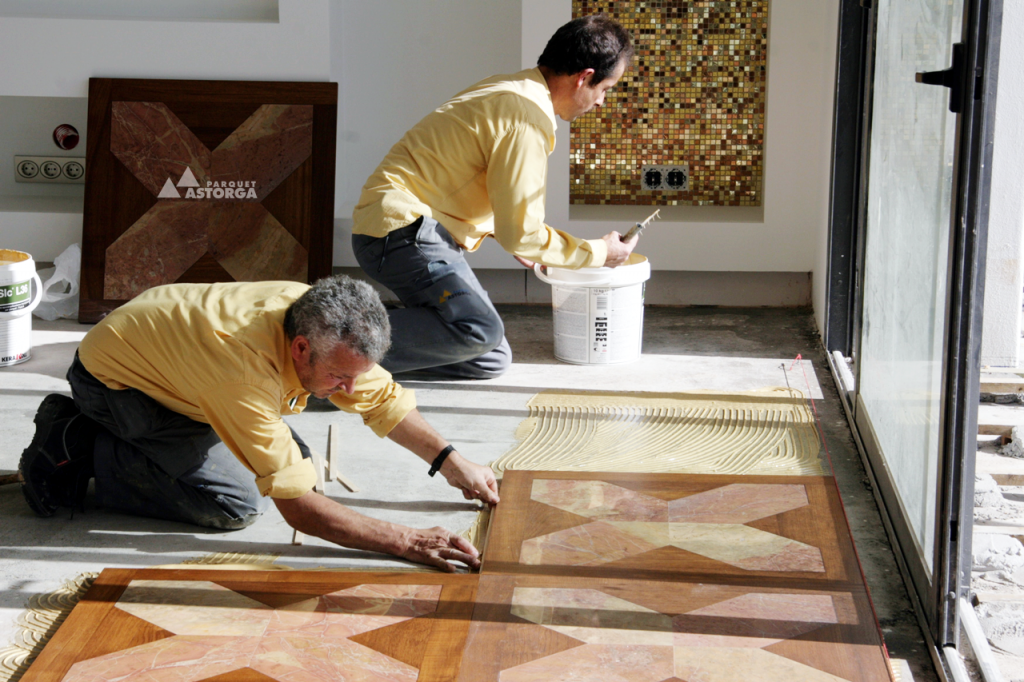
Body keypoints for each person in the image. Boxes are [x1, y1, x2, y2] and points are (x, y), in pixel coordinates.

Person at [18, 276, 498, 572]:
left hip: (179, 368)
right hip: (116, 386)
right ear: (300, 349)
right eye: (338, 377)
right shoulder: (244, 373)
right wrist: (408, 540)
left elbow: (383, 399)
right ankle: (75, 441)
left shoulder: (325, 321)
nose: (350, 390)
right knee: (234, 504)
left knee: (298, 463)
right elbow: (299, 511)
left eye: (356, 375)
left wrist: (450, 460)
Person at [351, 14, 638, 380]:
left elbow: (471, 178)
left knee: (488, 357)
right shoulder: (527, 117)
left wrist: (509, 234)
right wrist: (599, 254)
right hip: (402, 231)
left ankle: (353, 343)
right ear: (584, 77)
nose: (600, 102)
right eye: (605, 89)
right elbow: (522, 233)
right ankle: (319, 346)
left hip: (404, 230)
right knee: (479, 331)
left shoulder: (513, 87)